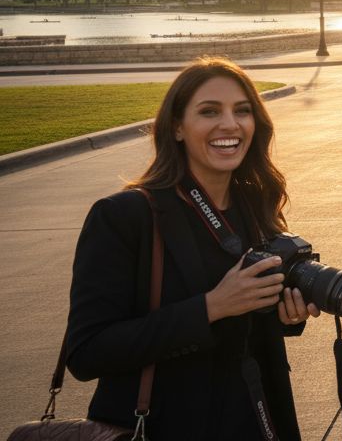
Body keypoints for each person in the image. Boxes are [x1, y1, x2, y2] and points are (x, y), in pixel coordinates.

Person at [65, 57, 318, 439]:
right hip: (165, 424)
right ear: (177, 127)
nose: (230, 124)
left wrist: (284, 315)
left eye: (242, 111)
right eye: (209, 111)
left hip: (255, 414)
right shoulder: (124, 216)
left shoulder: (254, 206)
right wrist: (211, 307)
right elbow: (87, 353)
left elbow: (247, 327)